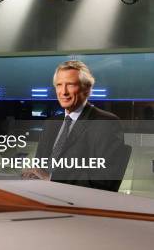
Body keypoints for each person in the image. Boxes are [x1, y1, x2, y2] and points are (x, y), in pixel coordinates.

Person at [23, 60, 130, 192]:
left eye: (70, 85)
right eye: (59, 85)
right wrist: (32, 175)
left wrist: (51, 178)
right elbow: (39, 167)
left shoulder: (106, 123)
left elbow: (105, 181)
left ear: (87, 89)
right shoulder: (51, 123)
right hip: (42, 196)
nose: (63, 92)